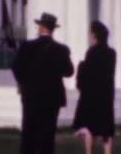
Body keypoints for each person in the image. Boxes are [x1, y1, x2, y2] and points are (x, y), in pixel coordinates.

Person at [11, 12, 74, 154]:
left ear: (40, 27)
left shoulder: (27, 47)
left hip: (31, 96)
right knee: (48, 136)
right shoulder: (61, 49)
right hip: (52, 98)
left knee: (29, 134)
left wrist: (22, 83)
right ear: (53, 29)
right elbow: (69, 72)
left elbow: (16, 67)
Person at [73, 21, 117, 154]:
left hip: (93, 96)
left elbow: (88, 75)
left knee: (90, 128)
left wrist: (81, 66)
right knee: (106, 131)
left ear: (94, 35)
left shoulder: (92, 52)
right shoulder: (111, 53)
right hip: (106, 95)